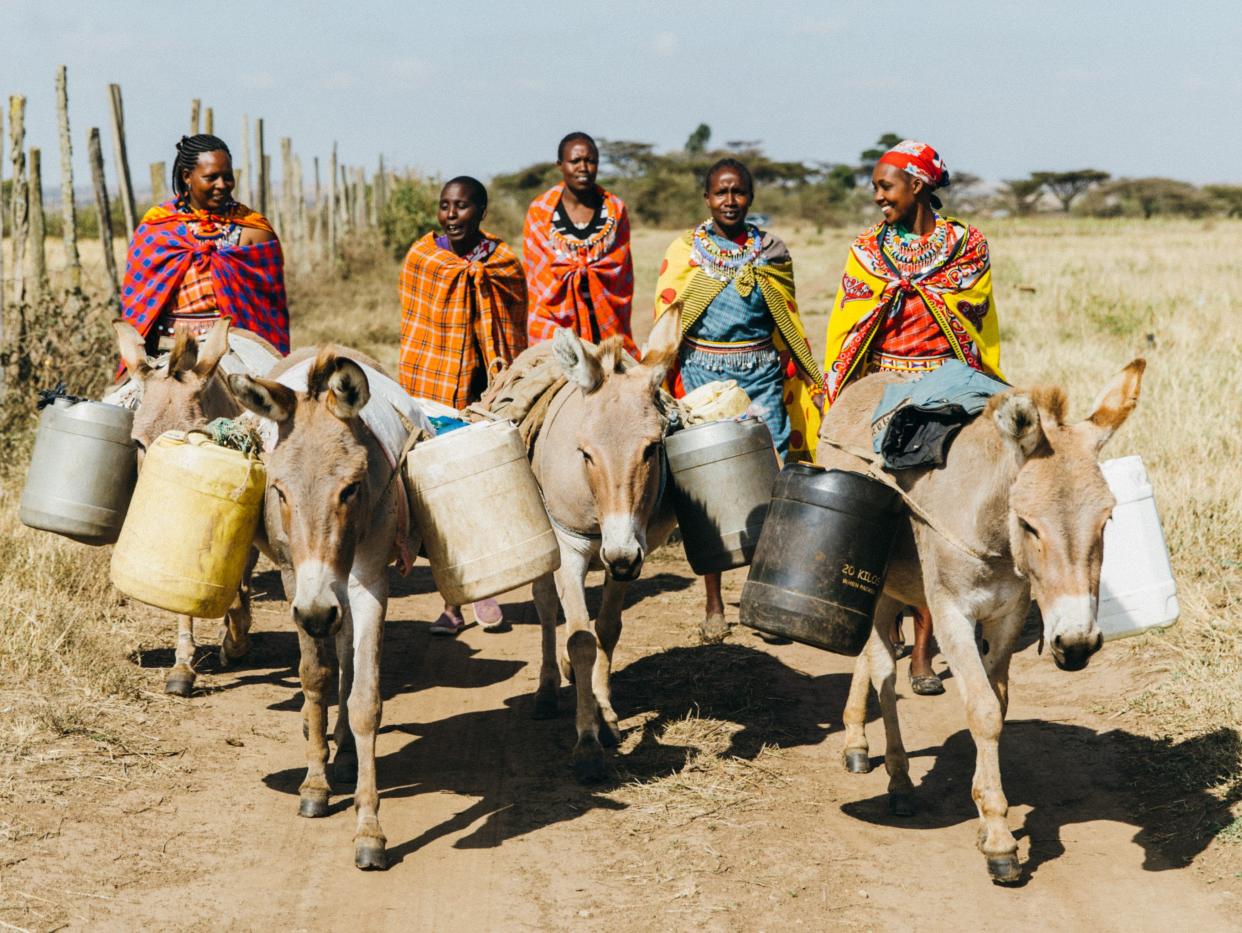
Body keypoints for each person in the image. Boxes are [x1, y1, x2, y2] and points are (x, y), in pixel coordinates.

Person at [822, 139, 1002, 695]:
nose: (878, 197)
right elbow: (851, 317)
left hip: (948, 390)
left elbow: (972, 310)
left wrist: (920, 293)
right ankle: (873, 625)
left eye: (886, 186)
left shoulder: (967, 246)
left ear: (917, 186)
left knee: (944, 511)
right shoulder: (867, 251)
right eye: (877, 187)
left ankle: (924, 652)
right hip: (882, 391)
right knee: (873, 507)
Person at [654, 157, 823, 642]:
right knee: (710, 490)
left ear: (751, 197)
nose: (730, 200)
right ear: (706, 198)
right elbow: (669, 320)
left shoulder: (771, 251)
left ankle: (762, 592)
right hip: (702, 376)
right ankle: (713, 603)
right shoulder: (685, 251)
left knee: (771, 484)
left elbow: (787, 320)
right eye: (721, 193)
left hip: (763, 376)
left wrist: (810, 378)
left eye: (739, 192)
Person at [398, 176, 528, 636]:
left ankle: (487, 586)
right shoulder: (424, 259)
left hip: (486, 389)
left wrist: (502, 385)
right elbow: (418, 329)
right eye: (445, 206)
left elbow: (513, 328)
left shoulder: (503, 262)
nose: (452, 216)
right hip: (433, 387)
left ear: (482, 212)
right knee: (441, 493)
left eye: (463, 207)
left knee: (487, 484)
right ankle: (453, 602)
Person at [119, 134, 288, 358]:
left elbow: (268, 313)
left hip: (236, 354)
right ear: (187, 176)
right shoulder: (157, 230)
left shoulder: (253, 229)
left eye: (227, 177)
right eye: (211, 177)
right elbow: (140, 307)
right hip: (167, 353)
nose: (222, 185)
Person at [523, 132, 637, 357]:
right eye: (575, 161)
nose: (583, 167)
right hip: (554, 323)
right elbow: (537, 280)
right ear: (560, 165)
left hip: (605, 321)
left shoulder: (614, 209)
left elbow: (620, 273)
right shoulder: (541, 211)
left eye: (590, 161)